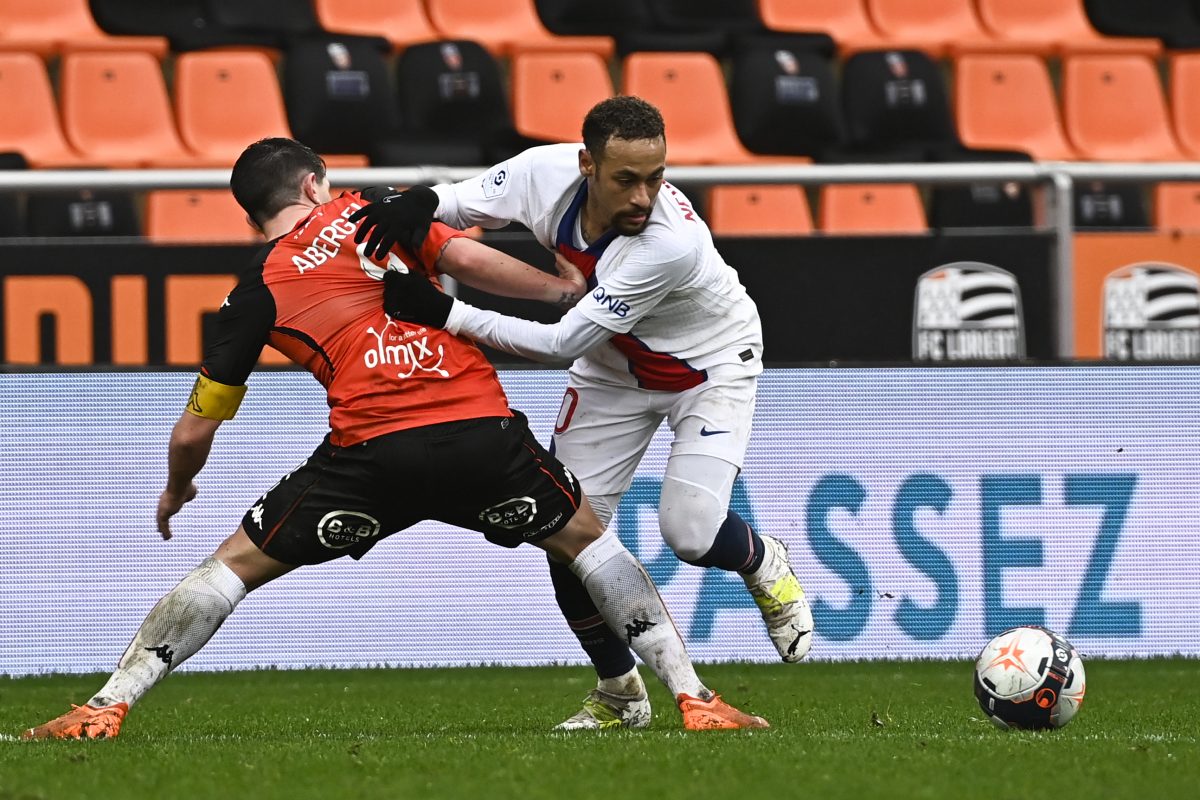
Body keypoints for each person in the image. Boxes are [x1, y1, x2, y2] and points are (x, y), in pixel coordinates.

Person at [21, 137, 768, 740]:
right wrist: (561, 292)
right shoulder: (368, 216)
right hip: (481, 433)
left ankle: (107, 706)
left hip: (370, 458)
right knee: (588, 541)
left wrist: (180, 484)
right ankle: (694, 697)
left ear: (254, 218)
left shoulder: (254, 292)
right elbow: (470, 259)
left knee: (229, 570)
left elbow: (197, 426)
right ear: (314, 184)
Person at [373, 96, 816, 731]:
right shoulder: (541, 174)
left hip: (710, 365)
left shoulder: (669, 243)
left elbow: (558, 344)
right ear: (586, 164)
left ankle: (760, 559)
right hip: (615, 373)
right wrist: (419, 200)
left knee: (689, 533)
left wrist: (446, 313)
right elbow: (459, 201)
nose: (644, 196)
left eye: (656, 177)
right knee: (564, 532)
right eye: (626, 179)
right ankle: (619, 693)